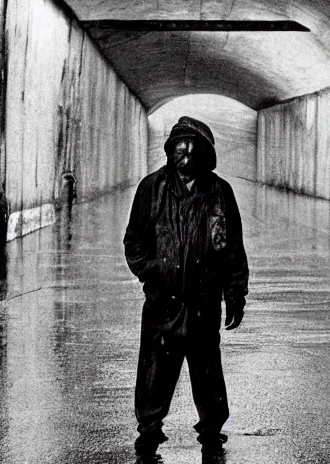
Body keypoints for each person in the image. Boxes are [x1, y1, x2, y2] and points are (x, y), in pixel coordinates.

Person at [123, 116, 249, 462]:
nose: (187, 155)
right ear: (170, 150)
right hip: (163, 302)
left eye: (195, 149)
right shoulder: (152, 188)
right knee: (155, 372)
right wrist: (152, 272)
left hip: (204, 301)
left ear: (207, 155)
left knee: (208, 370)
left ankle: (211, 432)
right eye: (181, 147)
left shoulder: (219, 192)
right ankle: (149, 431)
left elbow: (233, 248)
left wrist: (236, 291)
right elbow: (134, 241)